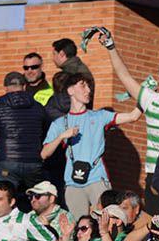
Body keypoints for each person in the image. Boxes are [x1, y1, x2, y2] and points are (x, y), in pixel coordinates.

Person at [42, 72, 142, 220]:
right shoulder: (59, 123)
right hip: (72, 182)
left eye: (89, 86)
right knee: (78, 227)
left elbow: (133, 116)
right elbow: (44, 153)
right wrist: (62, 136)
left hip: (97, 179)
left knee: (105, 222)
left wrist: (145, 97)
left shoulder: (100, 116)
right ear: (70, 91)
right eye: (82, 85)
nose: (88, 90)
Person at [103, 31, 159, 197]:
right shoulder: (150, 99)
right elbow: (123, 75)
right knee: (153, 221)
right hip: (156, 173)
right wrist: (111, 47)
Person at [0, 71, 49, 194]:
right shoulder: (38, 107)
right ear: (24, 86)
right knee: (35, 200)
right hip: (33, 163)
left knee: (5, 201)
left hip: (6, 162)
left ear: (5, 88)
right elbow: (47, 134)